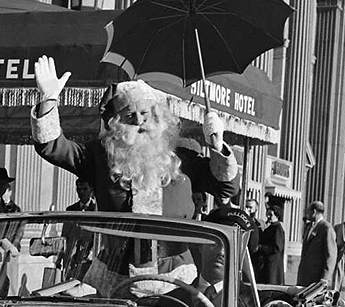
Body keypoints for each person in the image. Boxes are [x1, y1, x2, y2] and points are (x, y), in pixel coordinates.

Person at [30, 55, 239, 218]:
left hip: (173, 271)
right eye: (130, 116)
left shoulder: (183, 156)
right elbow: (52, 147)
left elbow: (226, 187)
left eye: (145, 114)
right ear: (116, 124)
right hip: (115, 270)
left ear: (158, 118)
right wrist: (48, 100)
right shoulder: (99, 157)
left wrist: (218, 146)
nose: (139, 121)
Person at [297, 200, 336, 287]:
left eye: (308, 211)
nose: (307, 214)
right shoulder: (309, 227)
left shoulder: (326, 228)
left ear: (314, 212)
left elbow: (331, 256)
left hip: (316, 278)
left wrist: (325, 277)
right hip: (305, 276)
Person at [256, 204, 285, 285]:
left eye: (271, 215)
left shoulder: (277, 229)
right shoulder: (271, 227)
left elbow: (277, 247)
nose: (268, 217)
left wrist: (260, 248)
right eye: (267, 214)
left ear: (277, 215)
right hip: (267, 264)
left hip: (272, 266)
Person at [244, 197, 263, 279]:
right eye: (246, 207)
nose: (248, 209)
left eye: (250, 207)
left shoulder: (260, 225)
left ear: (256, 209)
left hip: (254, 260)